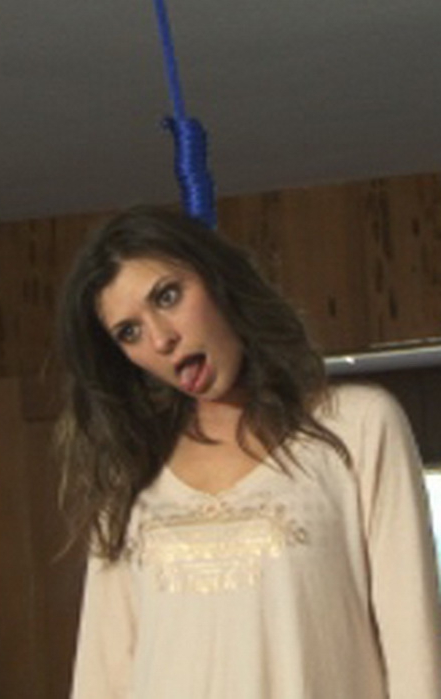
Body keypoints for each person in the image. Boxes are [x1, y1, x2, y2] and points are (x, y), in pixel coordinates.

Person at [56, 206, 441, 699]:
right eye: (129, 332)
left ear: (217, 279)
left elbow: (413, 646)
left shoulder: (357, 428)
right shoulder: (131, 473)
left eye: (168, 296)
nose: (162, 339)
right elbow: (103, 675)